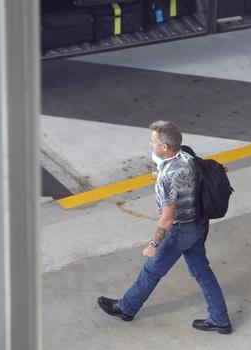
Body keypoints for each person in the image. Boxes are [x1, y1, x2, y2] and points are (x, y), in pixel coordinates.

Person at [97, 120, 232, 334]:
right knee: (202, 271)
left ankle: (126, 308)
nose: (151, 144)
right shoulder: (187, 155)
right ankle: (220, 319)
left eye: (153, 141)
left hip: (182, 230)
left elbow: (167, 219)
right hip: (200, 224)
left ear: (165, 147)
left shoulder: (168, 177)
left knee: (152, 270)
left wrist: (153, 244)